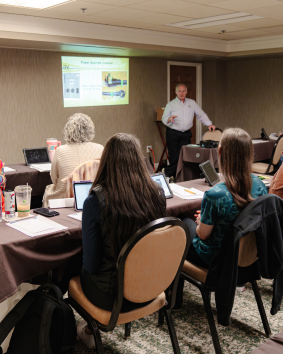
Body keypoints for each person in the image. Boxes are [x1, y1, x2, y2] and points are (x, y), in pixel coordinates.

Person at [75, 133, 166, 348]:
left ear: (106, 162)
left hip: (111, 298)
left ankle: (88, 328)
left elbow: (91, 264)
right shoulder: (158, 194)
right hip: (150, 288)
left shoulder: (95, 201)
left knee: (73, 268)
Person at [182, 128, 268, 269]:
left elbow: (203, 235)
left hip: (216, 260)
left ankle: (174, 289)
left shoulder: (215, 195)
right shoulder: (259, 185)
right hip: (248, 257)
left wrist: (199, 223)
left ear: (220, 152)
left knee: (183, 224)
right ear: (250, 153)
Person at [42, 113, 104, 207]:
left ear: (68, 130)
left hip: (65, 200)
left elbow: (54, 179)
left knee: (49, 189)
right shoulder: (100, 148)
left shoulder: (60, 150)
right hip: (94, 197)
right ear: (90, 130)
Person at [162, 83, 216, 179]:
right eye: (179, 91)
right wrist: (170, 119)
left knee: (184, 155)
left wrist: (209, 124)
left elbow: (201, 114)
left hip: (186, 133)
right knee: (174, 156)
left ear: (186, 92)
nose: (181, 93)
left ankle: (177, 175)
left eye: (183, 91)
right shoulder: (170, 104)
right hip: (173, 133)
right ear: (175, 92)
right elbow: (164, 118)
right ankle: (169, 174)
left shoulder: (192, 103)